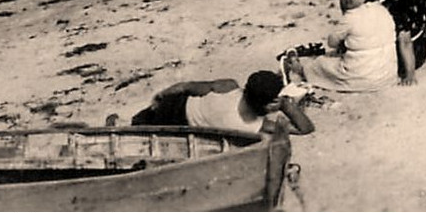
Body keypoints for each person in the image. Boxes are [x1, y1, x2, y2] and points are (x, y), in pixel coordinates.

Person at [289, 0, 399, 93]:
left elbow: (332, 42)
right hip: (387, 76)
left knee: (318, 65)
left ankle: (299, 69)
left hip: (363, 76)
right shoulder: (383, 11)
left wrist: (345, 12)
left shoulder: (352, 16)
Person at [126, 71, 313, 135]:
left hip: (176, 107)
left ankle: (131, 123)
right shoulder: (252, 125)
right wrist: (286, 105)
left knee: (141, 122)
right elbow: (305, 128)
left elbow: (185, 86)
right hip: (182, 126)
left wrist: (160, 96)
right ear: (267, 105)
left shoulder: (228, 86)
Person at [375, 0, 426, 86]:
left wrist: (410, 74)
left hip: (409, 56)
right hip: (421, 46)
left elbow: (405, 42)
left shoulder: (397, 10)